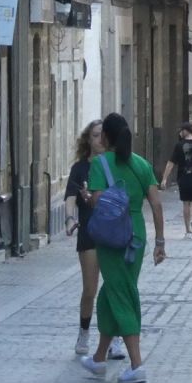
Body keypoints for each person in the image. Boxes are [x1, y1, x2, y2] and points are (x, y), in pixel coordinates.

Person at [77, 113, 165, 383]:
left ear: (105, 138)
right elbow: (156, 203)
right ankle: (100, 358)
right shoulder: (141, 164)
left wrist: (89, 197)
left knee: (122, 293)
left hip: (111, 237)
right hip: (136, 235)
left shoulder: (98, 164)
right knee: (111, 292)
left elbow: (99, 201)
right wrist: (160, 241)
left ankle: (137, 364)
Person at [64, 119, 104, 356]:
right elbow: (70, 197)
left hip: (112, 233)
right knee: (90, 289)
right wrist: (70, 219)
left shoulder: (113, 165)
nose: (100, 140)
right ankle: (84, 331)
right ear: (88, 140)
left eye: (103, 135)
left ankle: (115, 336)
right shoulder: (80, 168)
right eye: (96, 135)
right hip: (89, 231)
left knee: (113, 288)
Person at [161, 121, 192, 237]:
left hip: (183, 177)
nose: (180, 133)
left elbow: (171, 163)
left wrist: (164, 178)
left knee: (186, 203)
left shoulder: (179, 145)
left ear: (185, 131)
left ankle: (188, 229)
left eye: (181, 130)